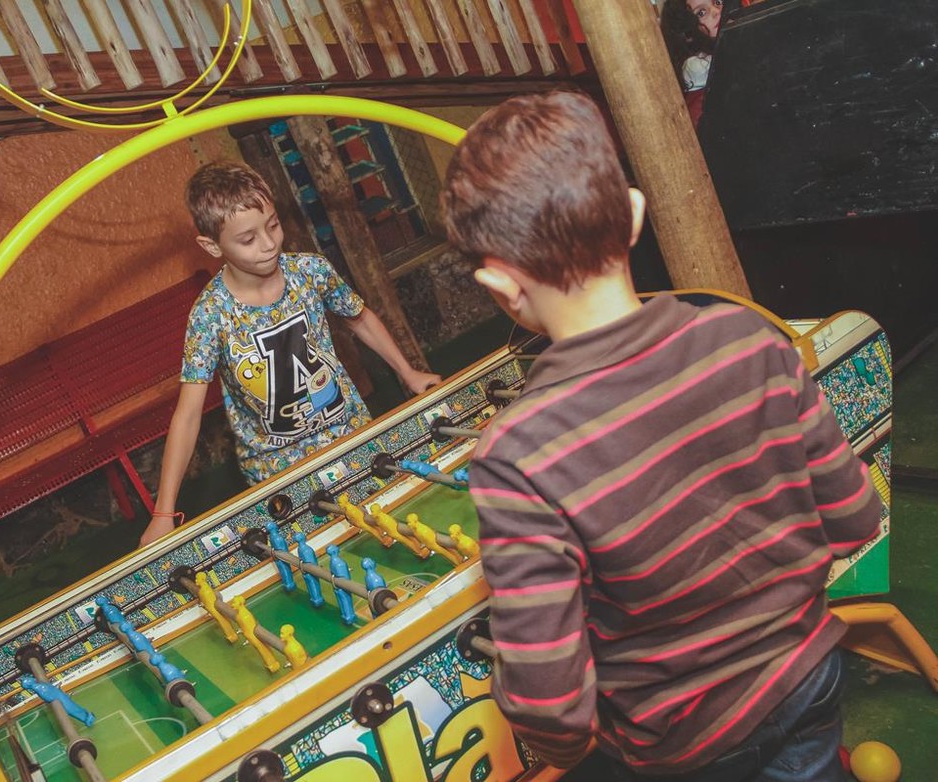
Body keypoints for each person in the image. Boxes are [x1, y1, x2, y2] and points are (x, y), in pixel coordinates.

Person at [440, 91, 882, 780]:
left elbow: (551, 702)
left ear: (499, 283)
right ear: (635, 215)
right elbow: (855, 516)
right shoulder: (748, 338)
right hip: (808, 676)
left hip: (687, 742)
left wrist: (571, 755)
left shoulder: (518, 454)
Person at [140, 162, 439, 546]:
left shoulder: (310, 271)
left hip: (349, 433)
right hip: (276, 470)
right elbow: (188, 415)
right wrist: (164, 513)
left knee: (395, 529)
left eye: (273, 225)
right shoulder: (209, 314)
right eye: (248, 239)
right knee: (323, 554)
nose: (269, 244)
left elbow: (360, 318)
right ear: (212, 246)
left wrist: (408, 372)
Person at [660, 0, 722, 125]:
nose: (716, 11)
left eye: (717, 2)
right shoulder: (701, 74)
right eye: (701, 13)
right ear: (687, 34)